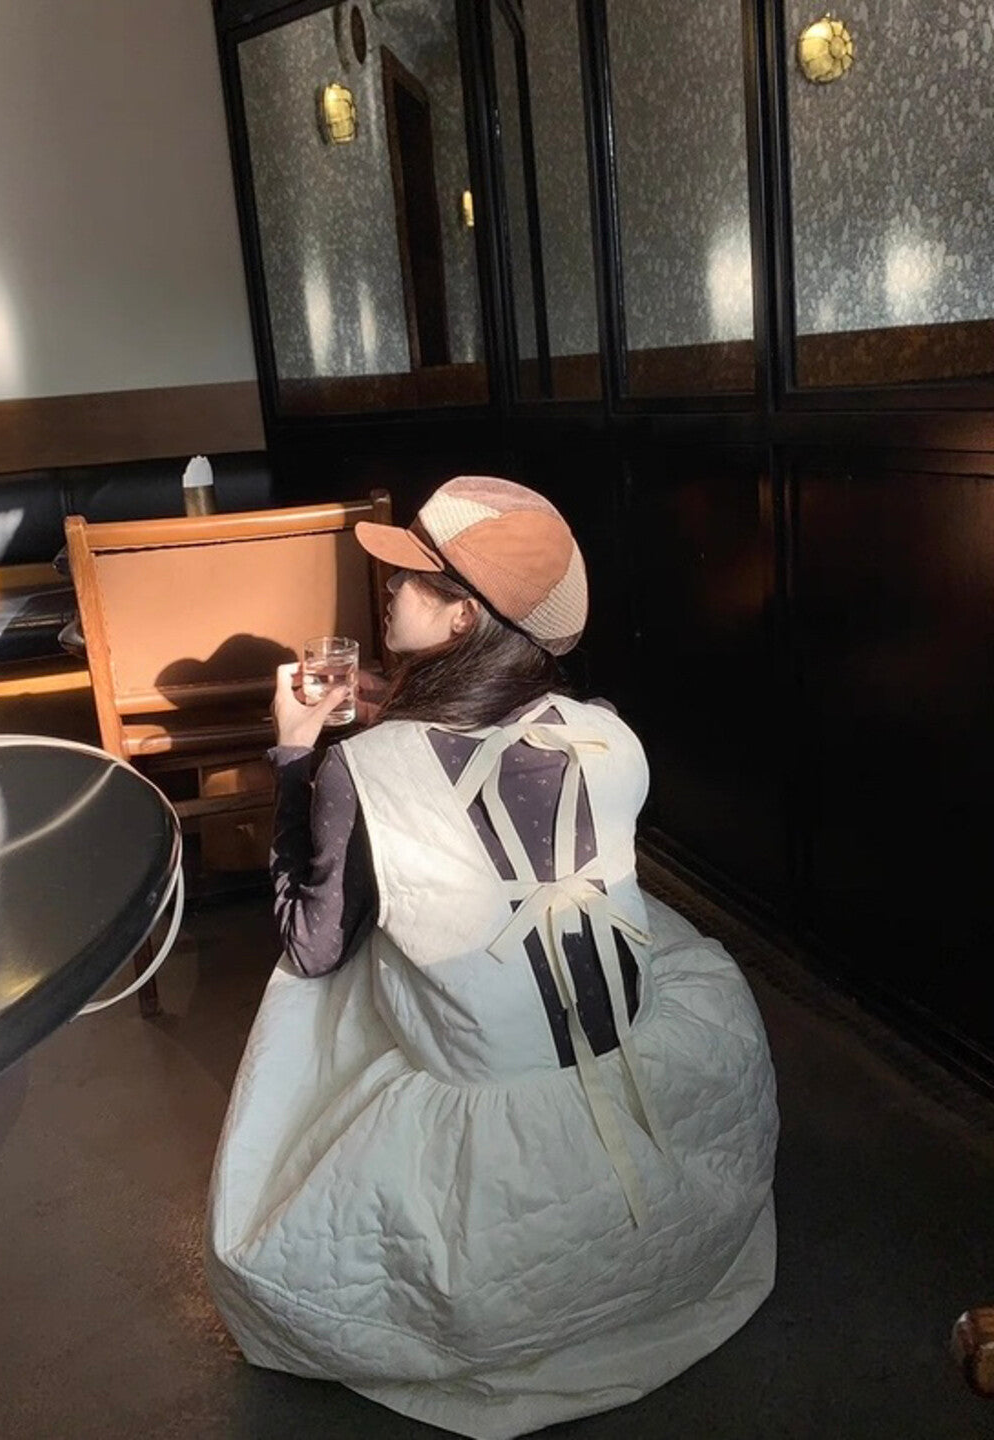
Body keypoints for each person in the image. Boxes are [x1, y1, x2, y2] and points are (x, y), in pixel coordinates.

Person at [205, 475, 779, 1440]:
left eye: (410, 579)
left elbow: (310, 944)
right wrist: (394, 716)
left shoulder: (360, 768)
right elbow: (496, 766)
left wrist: (299, 756)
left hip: (488, 1153)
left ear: (462, 616)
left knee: (328, 981)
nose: (389, 590)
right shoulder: (606, 732)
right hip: (645, 1079)